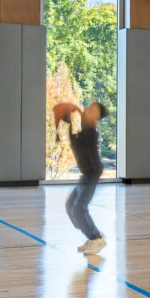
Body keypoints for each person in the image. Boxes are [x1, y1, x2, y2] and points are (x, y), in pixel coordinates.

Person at [54, 100, 109, 255]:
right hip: (86, 175)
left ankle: (96, 238)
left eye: (91, 109)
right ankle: (92, 235)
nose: (86, 110)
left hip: (92, 173)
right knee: (70, 205)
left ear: (96, 116)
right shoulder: (85, 129)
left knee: (79, 208)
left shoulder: (90, 131)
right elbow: (74, 140)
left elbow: (76, 140)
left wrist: (69, 118)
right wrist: (68, 119)